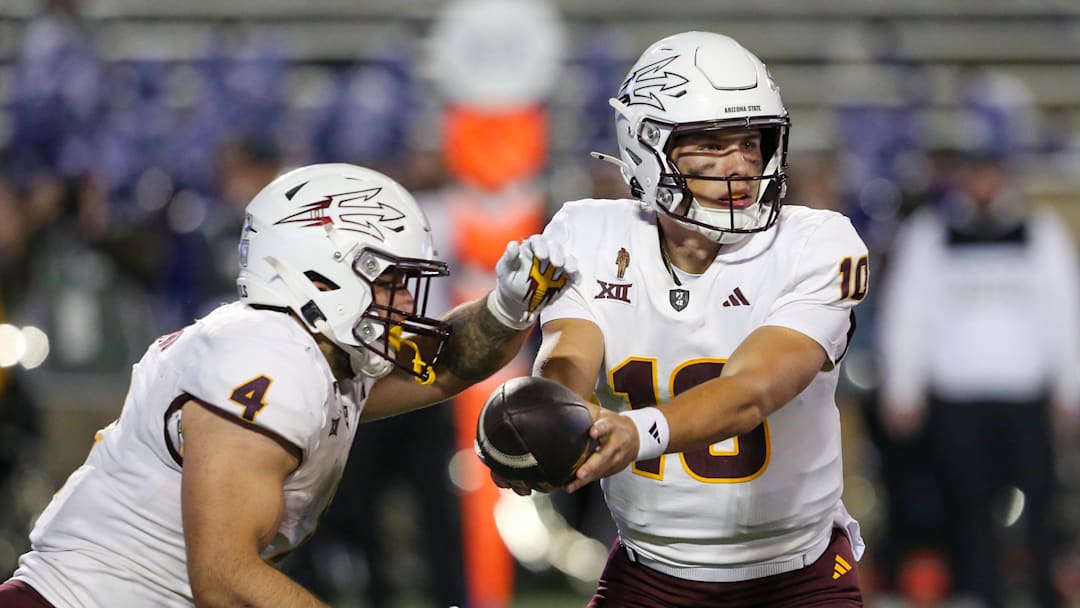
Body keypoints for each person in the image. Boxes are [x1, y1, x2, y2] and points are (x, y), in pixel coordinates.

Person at [0, 162, 577, 607]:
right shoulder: (267, 356)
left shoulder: (322, 355)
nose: (406, 302)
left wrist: (510, 303)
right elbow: (225, 582)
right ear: (321, 272)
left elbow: (448, 363)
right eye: (391, 281)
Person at [499, 32, 870, 606]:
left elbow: (751, 392)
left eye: (751, 142)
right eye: (711, 145)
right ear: (647, 148)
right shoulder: (589, 235)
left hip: (794, 574)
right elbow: (568, 362)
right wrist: (552, 428)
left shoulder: (818, 243)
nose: (741, 165)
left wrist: (634, 431)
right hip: (649, 570)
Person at [877, 143, 1079, 607]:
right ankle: (978, 591)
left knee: (1041, 505)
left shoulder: (1039, 232)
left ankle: (1043, 591)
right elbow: (909, 312)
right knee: (967, 504)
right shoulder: (932, 233)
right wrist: (903, 384)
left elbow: (1063, 310)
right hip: (958, 392)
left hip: (1023, 391)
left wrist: (1070, 385)